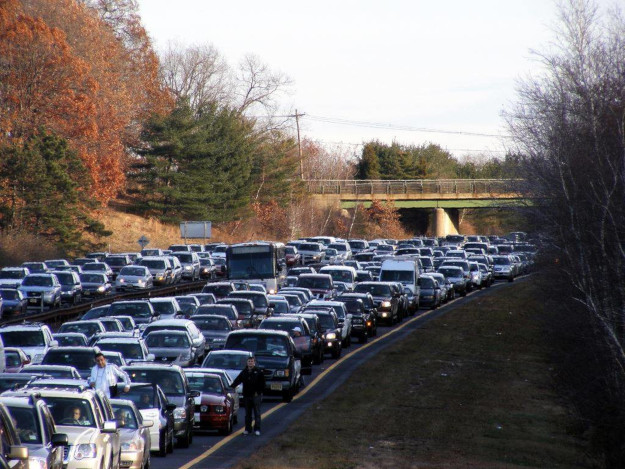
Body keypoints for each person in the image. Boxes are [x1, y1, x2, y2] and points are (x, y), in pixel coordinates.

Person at [231, 356, 265, 436]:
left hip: (256, 396)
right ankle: (247, 429)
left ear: (254, 362)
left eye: (252, 361)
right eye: (249, 361)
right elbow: (238, 380)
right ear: (247, 362)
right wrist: (231, 387)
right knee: (247, 414)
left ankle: (257, 429)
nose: (250, 363)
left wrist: (259, 392)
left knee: (257, 413)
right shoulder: (244, 372)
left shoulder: (259, 372)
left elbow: (263, 384)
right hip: (247, 395)